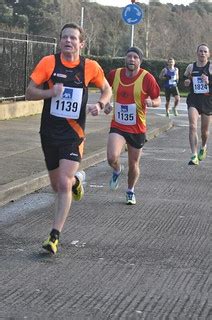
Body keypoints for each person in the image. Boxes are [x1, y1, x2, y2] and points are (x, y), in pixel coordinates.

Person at [25, 23, 112, 254]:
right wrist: (49, 92)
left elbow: (106, 88)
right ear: (59, 41)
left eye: (73, 38)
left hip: (73, 135)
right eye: (64, 37)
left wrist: (101, 104)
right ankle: (77, 182)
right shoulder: (49, 63)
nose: (68, 41)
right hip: (49, 133)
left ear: (81, 43)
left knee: (62, 182)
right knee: (58, 184)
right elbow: (29, 92)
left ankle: (54, 236)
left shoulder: (90, 67)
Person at [104, 47, 161, 205]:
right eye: (129, 56)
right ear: (125, 59)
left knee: (133, 164)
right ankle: (116, 169)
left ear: (140, 61)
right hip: (118, 125)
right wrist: (107, 103)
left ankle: (130, 191)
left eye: (135, 57)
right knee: (111, 157)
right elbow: (105, 89)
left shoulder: (147, 78)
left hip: (137, 128)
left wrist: (152, 102)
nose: (132, 59)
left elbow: (158, 99)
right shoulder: (114, 74)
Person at [184, 43, 212, 165]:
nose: (202, 53)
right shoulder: (191, 67)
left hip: (207, 101)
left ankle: (204, 146)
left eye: (205, 51)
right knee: (192, 126)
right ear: (197, 53)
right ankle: (194, 155)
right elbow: (185, 79)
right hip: (194, 100)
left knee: (204, 131)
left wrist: (209, 81)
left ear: (209, 54)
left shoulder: (211, 67)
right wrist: (187, 81)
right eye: (200, 51)